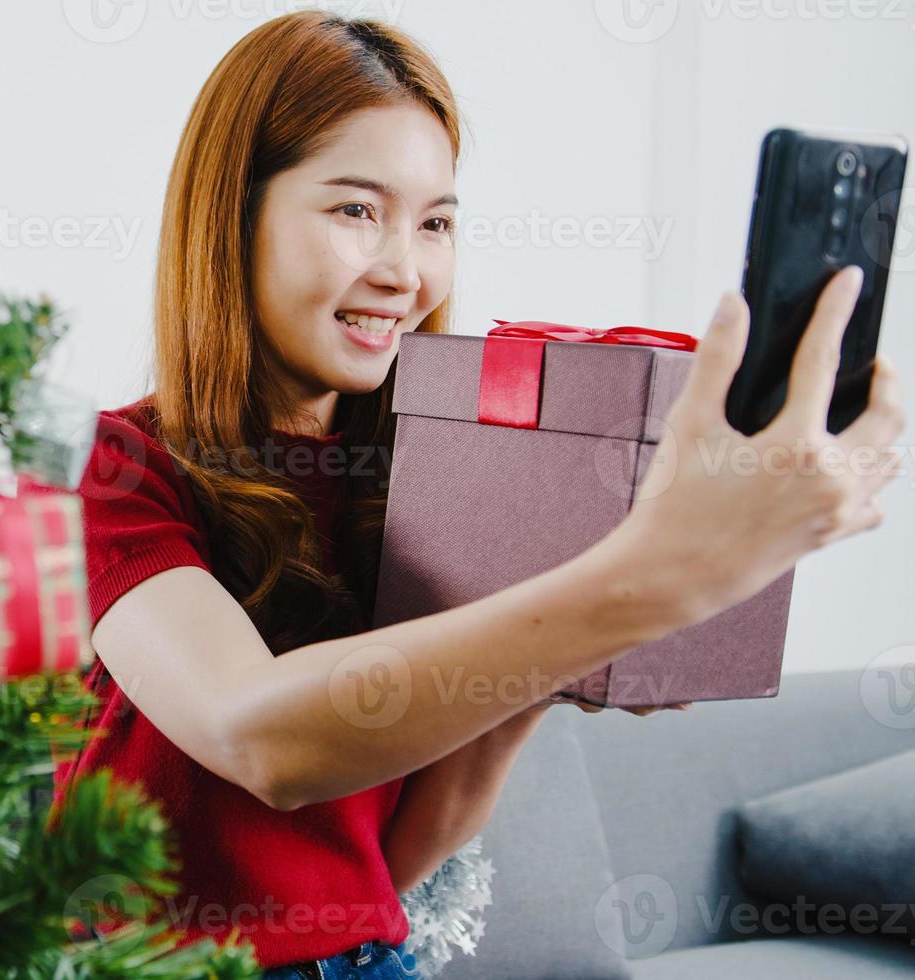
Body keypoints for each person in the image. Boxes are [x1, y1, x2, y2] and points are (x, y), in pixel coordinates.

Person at [48, 11, 906, 980]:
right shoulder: (109, 470)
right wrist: (647, 580)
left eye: (435, 222)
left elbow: (399, 852)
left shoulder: (433, 471)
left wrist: (558, 663)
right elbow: (257, 736)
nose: (403, 271)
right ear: (228, 216)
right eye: (353, 210)